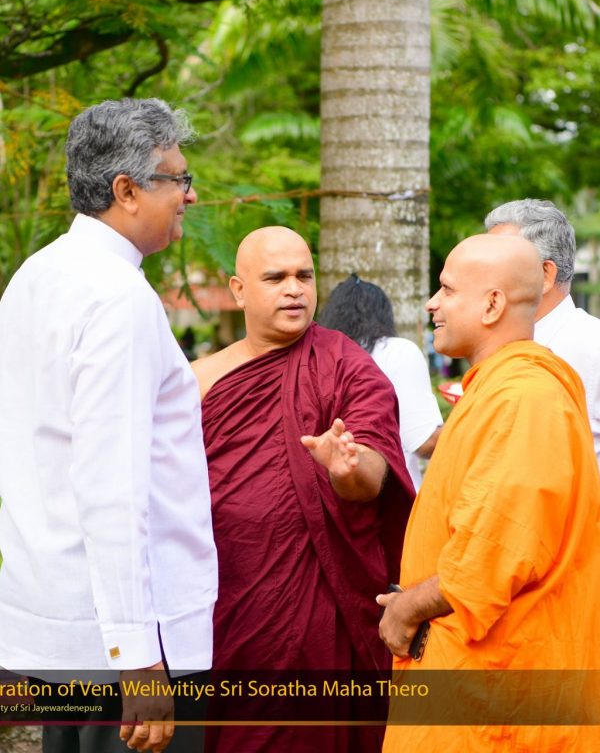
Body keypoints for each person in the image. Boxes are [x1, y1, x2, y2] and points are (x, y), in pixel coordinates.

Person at [0, 98, 218, 753]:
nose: (189, 194)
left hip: (58, 627)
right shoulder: (116, 296)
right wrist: (138, 657)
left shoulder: (34, 277)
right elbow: (112, 488)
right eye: (177, 178)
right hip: (123, 648)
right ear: (126, 191)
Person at [192, 226, 414, 753]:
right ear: (239, 290)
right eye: (276, 278)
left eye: (304, 276)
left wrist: (346, 469)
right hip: (229, 598)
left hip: (322, 603)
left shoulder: (347, 366)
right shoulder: (200, 379)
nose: (294, 289)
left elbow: (373, 474)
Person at [377, 235, 600, 751]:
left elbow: (491, 557)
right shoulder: (499, 390)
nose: (432, 303)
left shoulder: (525, 399)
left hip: (497, 703)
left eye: (447, 289)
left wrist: (407, 608)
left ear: (493, 304)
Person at [485, 198, 600, 466]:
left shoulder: (593, 346)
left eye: (496, 263)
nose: (482, 273)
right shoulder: (495, 345)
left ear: (545, 275)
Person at [318, 275, 443, 490]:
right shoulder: (397, 352)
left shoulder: (320, 358)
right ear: (384, 315)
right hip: (392, 496)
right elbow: (423, 441)